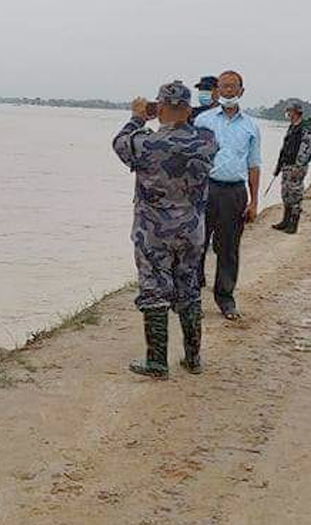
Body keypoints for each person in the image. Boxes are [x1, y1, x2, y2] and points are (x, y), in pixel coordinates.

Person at [113, 81, 218, 378]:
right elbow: (194, 130)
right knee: (189, 291)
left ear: (159, 107)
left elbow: (119, 143)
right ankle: (193, 358)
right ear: (188, 108)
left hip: (153, 232)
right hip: (192, 231)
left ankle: (158, 361)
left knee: (154, 292)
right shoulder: (207, 140)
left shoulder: (144, 142)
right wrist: (177, 116)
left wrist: (137, 116)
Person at [194, 70, 262, 320]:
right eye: (223, 86)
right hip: (206, 189)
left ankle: (225, 299)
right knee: (197, 245)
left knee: (229, 248)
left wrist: (254, 201)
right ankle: (193, 297)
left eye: (233, 87)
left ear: (241, 91)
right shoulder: (203, 121)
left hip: (234, 192)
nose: (228, 91)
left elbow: (254, 165)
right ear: (217, 91)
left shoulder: (251, 126)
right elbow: (193, 159)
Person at [272, 99, 311, 234]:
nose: (287, 114)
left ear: (296, 112)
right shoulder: (292, 127)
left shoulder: (305, 127)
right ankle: (285, 221)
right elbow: (284, 148)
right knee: (286, 193)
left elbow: (305, 148)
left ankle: (293, 224)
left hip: (297, 166)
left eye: (289, 111)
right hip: (287, 165)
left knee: (295, 194)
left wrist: (299, 165)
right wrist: (278, 166)